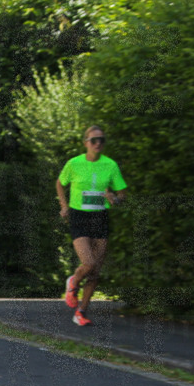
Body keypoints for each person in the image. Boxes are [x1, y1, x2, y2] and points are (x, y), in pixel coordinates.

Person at [56, 125, 128, 327]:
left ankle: (81, 312)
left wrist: (115, 198)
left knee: (96, 271)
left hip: (100, 217)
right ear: (86, 143)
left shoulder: (110, 165)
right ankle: (73, 283)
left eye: (102, 140)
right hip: (79, 216)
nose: (98, 144)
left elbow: (122, 193)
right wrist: (64, 205)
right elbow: (60, 183)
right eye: (94, 140)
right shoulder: (74, 163)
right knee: (88, 263)